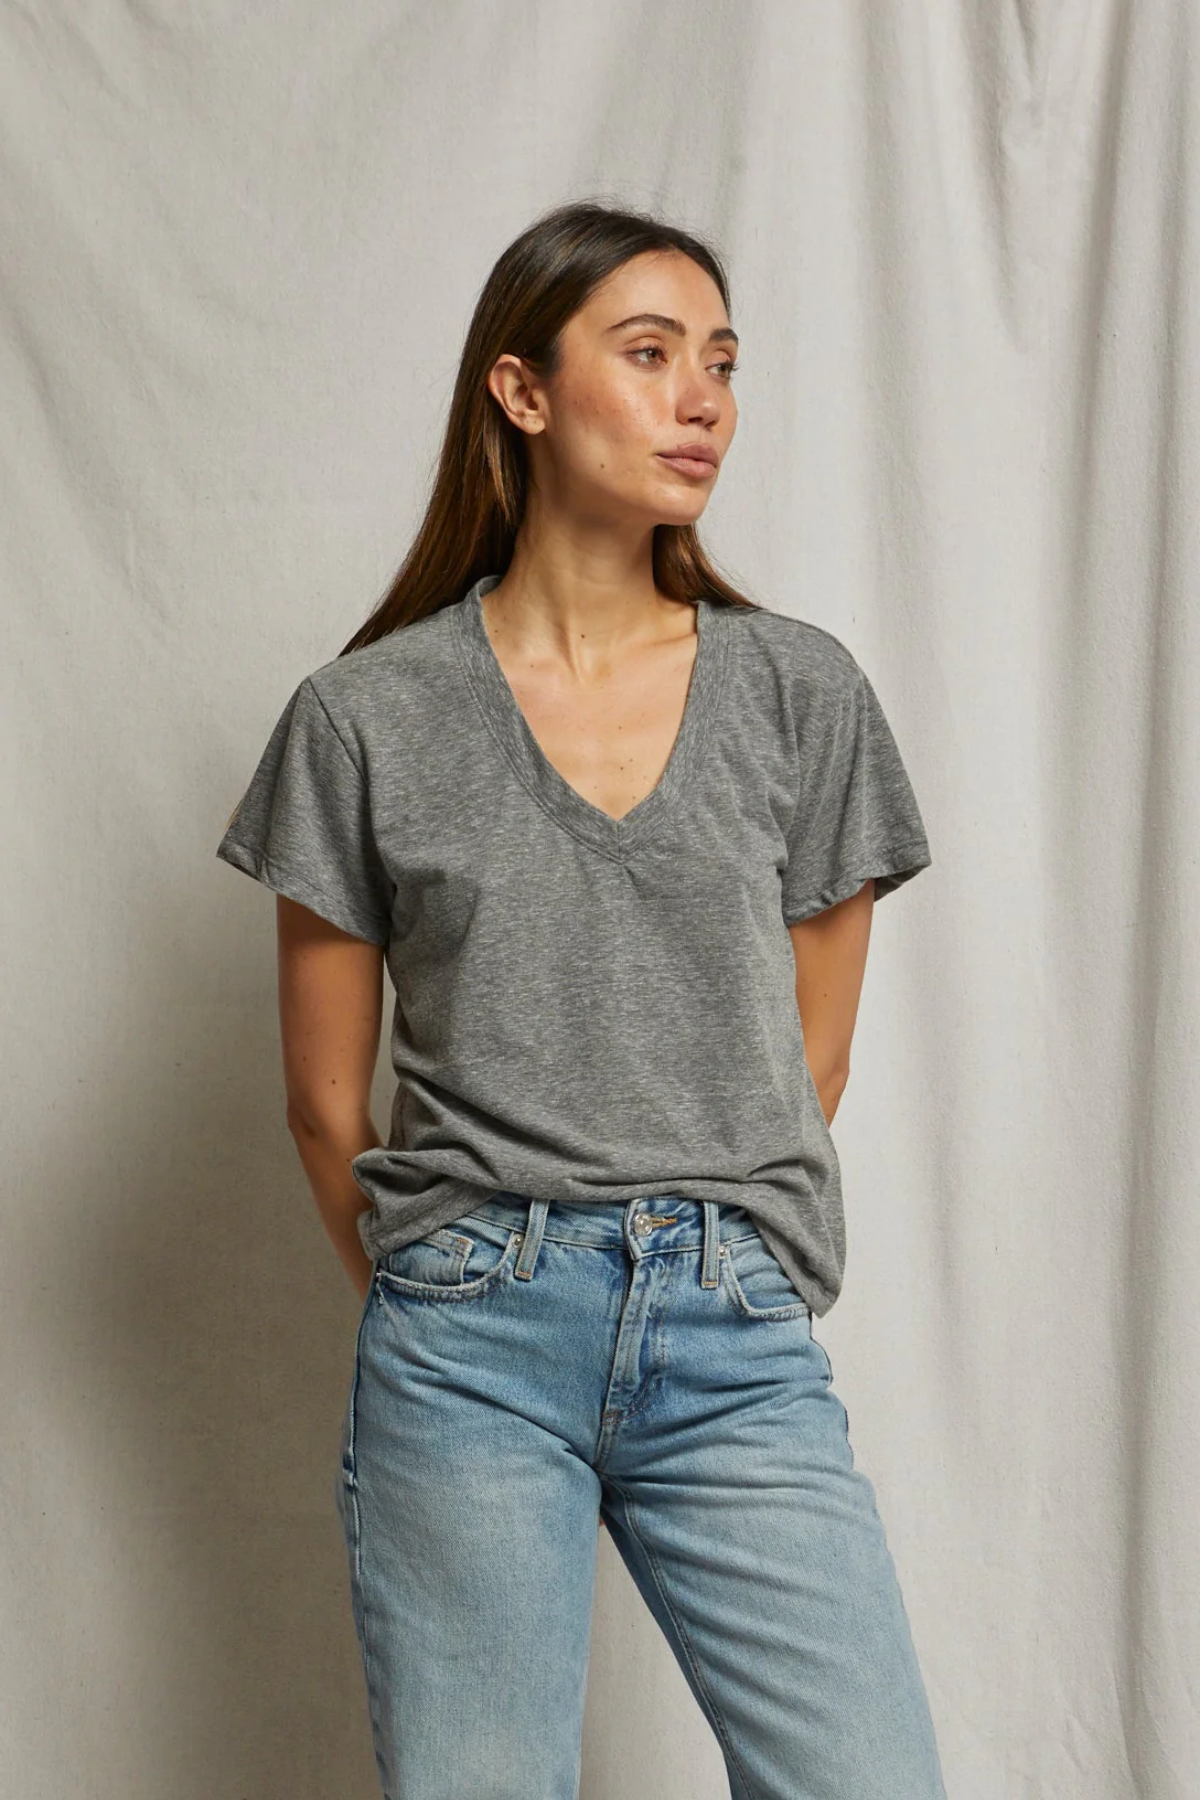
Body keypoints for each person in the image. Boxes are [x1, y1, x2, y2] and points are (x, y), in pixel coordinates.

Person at [215, 199, 946, 1800]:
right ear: (522, 392)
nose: (702, 401)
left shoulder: (797, 690)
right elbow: (324, 1099)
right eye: (649, 353)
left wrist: (705, 1233)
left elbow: (808, 1054)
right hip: (471, 1334)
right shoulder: (366, 717)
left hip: (734, 1329)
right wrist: (458, 1289)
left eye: (723, 364)